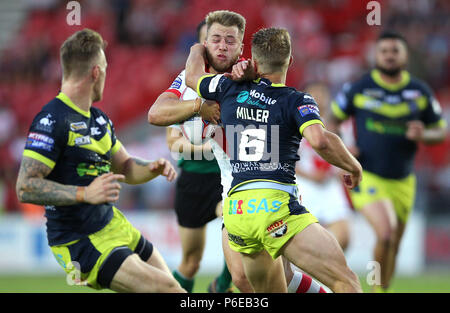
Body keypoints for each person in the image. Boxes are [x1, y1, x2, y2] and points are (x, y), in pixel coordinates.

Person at [150, 10, 327, 294]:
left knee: (274, 274)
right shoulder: (188, 79)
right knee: (242, 277)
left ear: (241, 48)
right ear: (205, 43)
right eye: (216, 39)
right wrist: (198, 107)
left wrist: (248, 73)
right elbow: (156, 113)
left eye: (230, 41)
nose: (222, 46)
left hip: (265, 186)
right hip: (226, 186)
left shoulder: (249, 74)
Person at [185, 27, 363, 292]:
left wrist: (197, 47)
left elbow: (192, 76)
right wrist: (353, 165)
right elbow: (320, 140)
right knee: (345, 281)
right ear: (290, 60)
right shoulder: (295, 100)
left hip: (237, 213)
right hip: (274, 206)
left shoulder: (227, 87)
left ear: (254, 63)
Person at [15, 29, 184, 293]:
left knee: (176, 290)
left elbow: (126, 167)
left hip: (113, 223)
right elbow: (25, 186)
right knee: (167, 290)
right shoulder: (52, 120)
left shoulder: (99, 119)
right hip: (80, 240)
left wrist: (151, 168)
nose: (106, 74)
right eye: (104, 67)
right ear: (96, 72)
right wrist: (85, 193)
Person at [328, 31, 447, 292]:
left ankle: (382, 290)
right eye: (384, 51)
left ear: (404, 55)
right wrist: (343, 148)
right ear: (376, 55)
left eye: (395, 51)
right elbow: (331, 121)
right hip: (367, 175)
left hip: (404, 180)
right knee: (385, 233)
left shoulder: (420, 91)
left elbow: (440, 130)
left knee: (392, 244)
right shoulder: (359, 89)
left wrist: (424, 134)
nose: (389, 56)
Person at [157, 19, 233, 293]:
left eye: (222, 42)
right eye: (209, 41)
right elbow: (173, 142)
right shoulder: (183, 89)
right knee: (190, 262)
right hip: (192, 180)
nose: (215, 48)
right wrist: (208, 148)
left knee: (239, 237)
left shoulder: (232, 82)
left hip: (224, 179)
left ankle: (223, 285)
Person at [296, 82, 353, 251]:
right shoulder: (295, 121)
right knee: (305, 239)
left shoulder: (341, 125)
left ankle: (326, 270)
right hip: (304, 185)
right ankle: (308, 273)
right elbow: (286, 160)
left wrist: (339, 172)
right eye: (314, 94)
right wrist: (310, 176)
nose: (319, 98)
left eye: (322, 94)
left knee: (344, 237)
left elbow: (348, 155)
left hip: (330, 186)